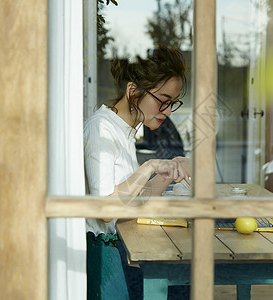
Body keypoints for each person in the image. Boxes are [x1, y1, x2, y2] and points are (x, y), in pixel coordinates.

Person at [84, 46, 191, 299]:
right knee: (182, 282)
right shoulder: (101, 130)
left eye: (172, 103)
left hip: (125, 250)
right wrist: (150, 166)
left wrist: (168, 173)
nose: (166, 110)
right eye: (162, 100)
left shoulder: (125, 130)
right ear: (133, 92)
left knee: (186, 278)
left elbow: (132, 201)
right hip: (107, 260)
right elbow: (106, 211)